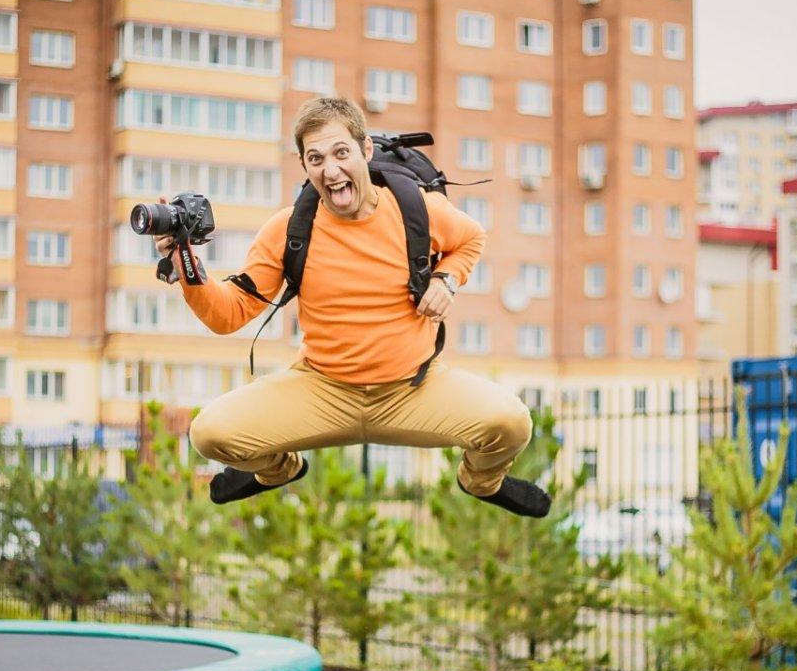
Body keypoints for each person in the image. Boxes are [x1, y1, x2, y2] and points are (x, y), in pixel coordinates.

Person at [151, 96, 550, 518]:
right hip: (321, 389)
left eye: (341, 153)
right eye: (316, 158)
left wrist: (446, 279)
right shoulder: (289, 229)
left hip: (412, 388)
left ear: (366, 150)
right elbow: (228, 315)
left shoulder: (416, 209)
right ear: (304, 165)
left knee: (512, 423)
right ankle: (279, 470)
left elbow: (471, 238)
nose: (331, 170)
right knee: (209, 433)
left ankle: (480, 482)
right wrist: (185, 263)